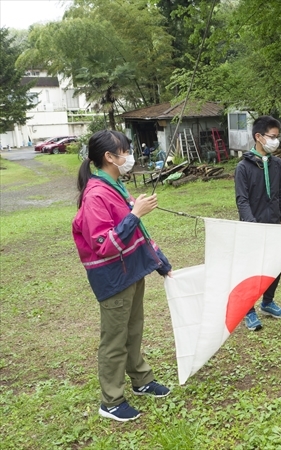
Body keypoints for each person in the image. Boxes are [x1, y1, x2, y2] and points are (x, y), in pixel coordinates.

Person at [72, 130, 173, 422]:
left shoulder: (114, 185)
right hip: (113, 278)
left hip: (132, 271)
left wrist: (160, 262)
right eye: (125, 152)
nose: (129, 156)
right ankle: (112, 401)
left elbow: (137, 233)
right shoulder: (96, 195)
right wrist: (135, 214)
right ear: (109, 157)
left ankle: (141, 380)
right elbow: (103, 245)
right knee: (114, 339)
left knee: (133, 330)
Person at [234, 116, 281, 331]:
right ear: (259, 137)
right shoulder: (243, 167)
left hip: (274, 222)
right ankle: (248, 310)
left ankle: (267, 302)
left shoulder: (278, 164)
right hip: (252, 227)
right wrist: (252, 225)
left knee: (277, 264)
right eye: (272, 137)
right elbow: (242, 200)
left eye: (277, 137)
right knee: (252, 269)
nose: (276, 141)